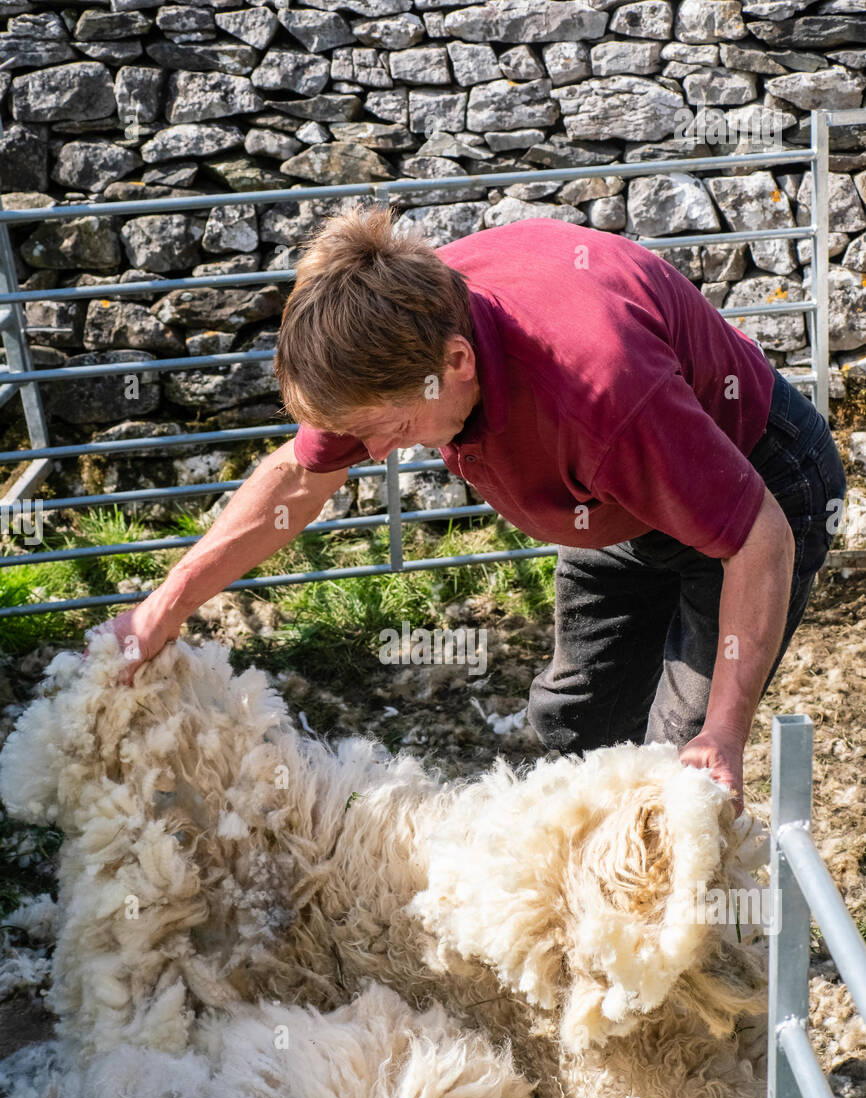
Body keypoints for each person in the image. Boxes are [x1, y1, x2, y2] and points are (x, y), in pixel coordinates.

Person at [97, 204, 846, 814]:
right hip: (608, 501)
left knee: (676, 778)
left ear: (457, 363)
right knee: (575, 724)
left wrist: (723, 730)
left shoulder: (599, 390)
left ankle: (680, 974)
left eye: (388, 428)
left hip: (747, 483)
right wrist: (166, 605)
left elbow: (757, 539)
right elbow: (297, 480)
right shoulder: (379, 336)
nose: (380, 453)